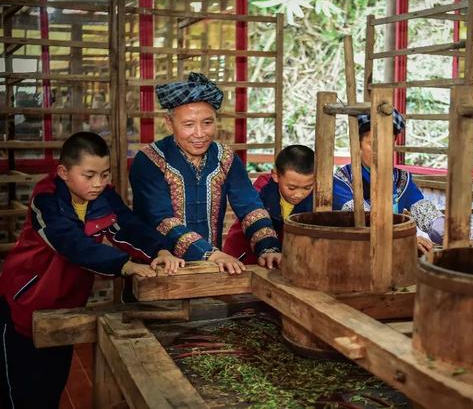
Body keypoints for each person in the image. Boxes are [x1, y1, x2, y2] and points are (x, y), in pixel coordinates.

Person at [0, 132, 184, 409]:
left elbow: (129, 225)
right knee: (21, 392)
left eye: (105, 174)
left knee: (52, 387)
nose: (98, 184)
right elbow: (71, 244)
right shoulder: (47, 199)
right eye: (89, 175)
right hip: (23, 302)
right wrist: (126, 265)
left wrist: (160, 250)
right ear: (63, 171)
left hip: (67, 304)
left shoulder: (103, 197)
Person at [129, 72, 282, 274]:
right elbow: (161, 220)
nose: (200, 134)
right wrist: (212, 254)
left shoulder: (226, 158)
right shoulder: (149, 160)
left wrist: (268, 247)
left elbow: (250, 208)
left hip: (210, 269)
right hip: (158, 266)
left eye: (208, 123)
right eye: (189, 125)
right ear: (169, 122)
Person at [332, 109, 445, 254]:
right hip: (355, 255)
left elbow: (427, 214)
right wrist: (404, 238)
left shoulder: (401, 179)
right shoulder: (342, 181)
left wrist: (451, 235)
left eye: (387, 143)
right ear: (357, 144)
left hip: (393, 255)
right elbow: (364, 220)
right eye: (373, 144)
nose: (381, 151)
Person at [223, 145, 314, 264]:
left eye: (307, 187)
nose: (299, 194)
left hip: (281, 260)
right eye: (292, 188)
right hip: (243, 255)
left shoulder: (320, 197)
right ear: (275, 176)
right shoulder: (261, 190)